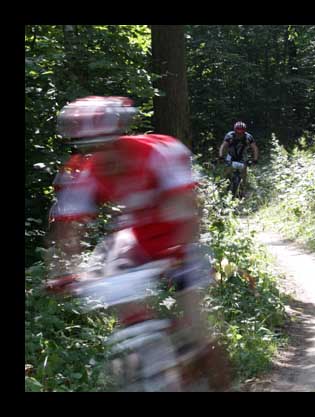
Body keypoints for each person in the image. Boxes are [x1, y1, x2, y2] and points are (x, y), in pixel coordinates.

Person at [45, 96, 222, 389]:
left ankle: (211, 367)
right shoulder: (86, 171)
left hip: (178, 230)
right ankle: (147, 342)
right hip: (138, 234)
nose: (101, 154)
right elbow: (69, 228)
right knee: (117, 284)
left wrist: (179, 252)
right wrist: (64, 271)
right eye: (90, 147)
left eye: (107, 144)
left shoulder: (158, 152)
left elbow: (186, 207)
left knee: (194, 316)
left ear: (120, 136)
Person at [218, 121, 258, 195]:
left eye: (241, 133)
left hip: (242, 156)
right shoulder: (230, 136)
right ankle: (223, 186)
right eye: (237, 133)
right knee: (227, 170)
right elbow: (223, 146)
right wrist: (221, 156)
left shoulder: (248, 137)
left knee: (244, 170)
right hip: (231, 155)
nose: (239, 134)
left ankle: (243, 189)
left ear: (244, 132)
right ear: (235, 131)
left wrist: (255, 159)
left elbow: (254, 148)